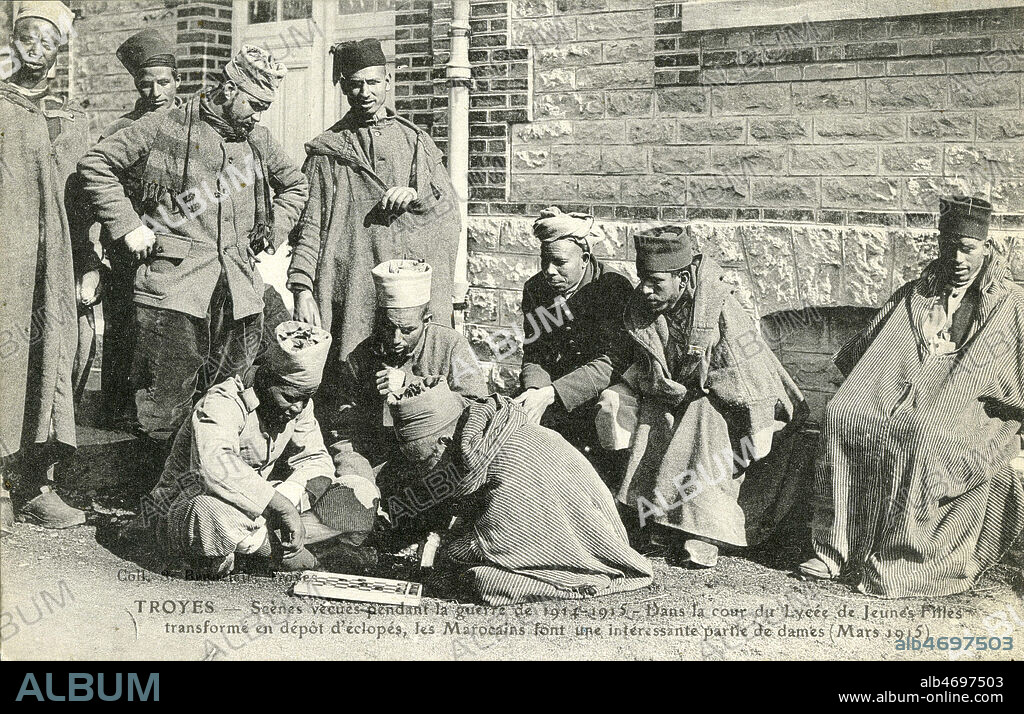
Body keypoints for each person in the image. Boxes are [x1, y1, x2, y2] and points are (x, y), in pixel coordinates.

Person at [78, 45, 309, 449]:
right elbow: (95, 166)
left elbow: (296, 185)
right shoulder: (164, 125)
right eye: (254, 104)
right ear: (230, 89)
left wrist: (272, 229)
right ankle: (158, 501)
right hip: (174, 291)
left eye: (264, 107)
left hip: (237, 291)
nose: (258, 116)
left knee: (228, 398)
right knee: (164, 406)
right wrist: (128, 226)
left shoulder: (257, 139)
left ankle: (212, 495)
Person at [800, 196, 1024, 597]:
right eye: (948, 245)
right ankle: (835, 547)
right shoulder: (917, 292)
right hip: (904, 387)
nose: (956, 257)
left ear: (987, 248)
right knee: (842, 413)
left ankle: (899, 557)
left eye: (967, 248)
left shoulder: (1011, 302)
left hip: (973, 405)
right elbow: (872, 349)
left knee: (924, 433)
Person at [610, 226, 806, 568]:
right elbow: (643, 361)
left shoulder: (720, 309)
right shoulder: (643, 309)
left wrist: (755, 428)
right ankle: (650, 515)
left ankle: (706, 531)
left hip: (747, 403)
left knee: (703, 416)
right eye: (642, 279)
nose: (644, 289)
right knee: (654, 413)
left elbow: (749, 378)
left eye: (656, 282)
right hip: (680, 395)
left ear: (684, 279)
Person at [133, 321, 380, 578]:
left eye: (306, 398)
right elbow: (214, 468)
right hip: (192, 506)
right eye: (290, 397)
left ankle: (253, 549)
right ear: (265, 379)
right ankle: (284, 555)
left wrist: (289, 495)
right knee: (208, 512)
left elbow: (315, 459)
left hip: (259, 513)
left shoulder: (299, 405)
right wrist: (281, 508)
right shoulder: (222, 401)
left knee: (359, 492)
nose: (298, 407)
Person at [386, 379, 653, 605]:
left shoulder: (507, 455)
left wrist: (448, 550)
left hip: (591, 544)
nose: (424, 471)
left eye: (423, 461)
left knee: (485, 579)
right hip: (567, 531)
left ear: (445, 442)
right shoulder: (488, 437)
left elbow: (497, 537)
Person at [287, 38, 461, 363]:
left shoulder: (416, 143)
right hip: (350, 290)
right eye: (355, 84)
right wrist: (301, 289)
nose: (364, 92)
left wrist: (416, 196)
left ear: (388, 81)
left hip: (403, 298)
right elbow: (307, 228)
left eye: (373, 82)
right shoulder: (327, 152)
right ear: (343, 87)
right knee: (348, 386)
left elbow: (448, 218)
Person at [0, 1, 101, 530]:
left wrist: (89, 263)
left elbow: (83, 198)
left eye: (47, 42)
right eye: (27, 40)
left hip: (55, 260)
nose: (36, 51)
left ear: (60, 50)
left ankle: (38, 485)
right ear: (14, 43)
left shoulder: (70, 116)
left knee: (53, 359)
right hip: (5, 262)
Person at [322, 259, 487, 490]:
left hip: (442, 469)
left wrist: (411, 386)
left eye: (408, 330)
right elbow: (343, 431)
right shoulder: (360, 358)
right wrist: (359, 479)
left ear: (426, 321)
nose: (396, 340)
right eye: (388, 328)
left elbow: (478, 408)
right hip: (381, 471)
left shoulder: (450, 346)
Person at [95, 29, 183, 426]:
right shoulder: (119, 130)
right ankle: (116, 418)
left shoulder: (194, 125)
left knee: (171, 336)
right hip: (129, 245)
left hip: (180, 245)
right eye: (145, 85)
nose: (155, 92)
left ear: (178, 81)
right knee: (125, 326)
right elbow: (94, 185)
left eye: (163, 82)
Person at [515, 207, 634, 486]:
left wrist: (552, 393)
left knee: (610, 416)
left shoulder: (611, 289)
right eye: (544, 261)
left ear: (584, 259)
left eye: (559, 262)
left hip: (607, 385)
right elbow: (535, 351)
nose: (549, 271)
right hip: (555, 386)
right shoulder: (536, 290)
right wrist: (534, 390)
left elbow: (611, 361)